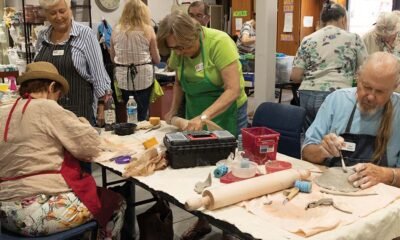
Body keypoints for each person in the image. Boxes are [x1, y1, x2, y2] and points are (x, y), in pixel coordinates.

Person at [0, 62, 126, 238]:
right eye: (58, 95)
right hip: (35, 211)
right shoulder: (46, 107)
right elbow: (89, 146)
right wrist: (82, 122)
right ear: (52, 87)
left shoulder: (4, 111)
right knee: (116, 204)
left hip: (5, 213)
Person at [302, 52, 400, 189]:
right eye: (366, 87)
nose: (371, 97)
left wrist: (385, 174)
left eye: (380, 92)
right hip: (333, 189)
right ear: (358, 77)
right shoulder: (336, 101)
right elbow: (306, 153)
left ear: (394, 88)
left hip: (379, 194)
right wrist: (322, 150)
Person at [158, 11, 248, 138]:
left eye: (183, 47)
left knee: (230, 155)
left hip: (227, 112)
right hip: (195, 112)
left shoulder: (219, 42)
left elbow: (233, 90)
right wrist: (173, 111)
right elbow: (178, 84)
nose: (178, 52)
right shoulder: (178, 49)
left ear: (194, 35)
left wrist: (203, 117)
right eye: (174, 48)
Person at [291, 1, 368, 130]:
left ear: (322, 20)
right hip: (339, 94)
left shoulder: (308, 39)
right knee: (334, 137)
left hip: (308, 94)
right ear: (343, 19)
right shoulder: (353, 38)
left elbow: (295, 76)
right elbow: (366, 71)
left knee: (310, 135)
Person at [35, 0, 111, 126]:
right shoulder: (43, 36)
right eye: (53, 13)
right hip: (47, 114)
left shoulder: (85, 34)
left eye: (62, 11)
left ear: (70, 10)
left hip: (79, 113)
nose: (58, 17)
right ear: (46, 15)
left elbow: (99, 75)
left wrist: (101, 108)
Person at [110, 0, 160, 121]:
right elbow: (157, 59)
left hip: (123, 78)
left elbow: (112, 58)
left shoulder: (116, 30)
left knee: (129, 112)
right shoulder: (148, 30)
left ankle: (130, 132)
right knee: (142, 113)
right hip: (144, 77)